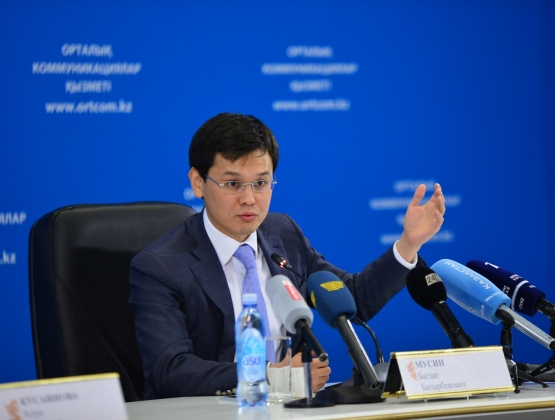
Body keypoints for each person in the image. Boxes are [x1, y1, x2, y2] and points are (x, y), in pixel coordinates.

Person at [129, 112, 445, 400]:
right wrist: (270, 376)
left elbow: (353, 299)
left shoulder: (282, 234)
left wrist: (408, 244)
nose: (249, 198)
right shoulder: (160, 266)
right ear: (198, 183)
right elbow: (169, 370)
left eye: (261, 183)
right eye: (233, 183)